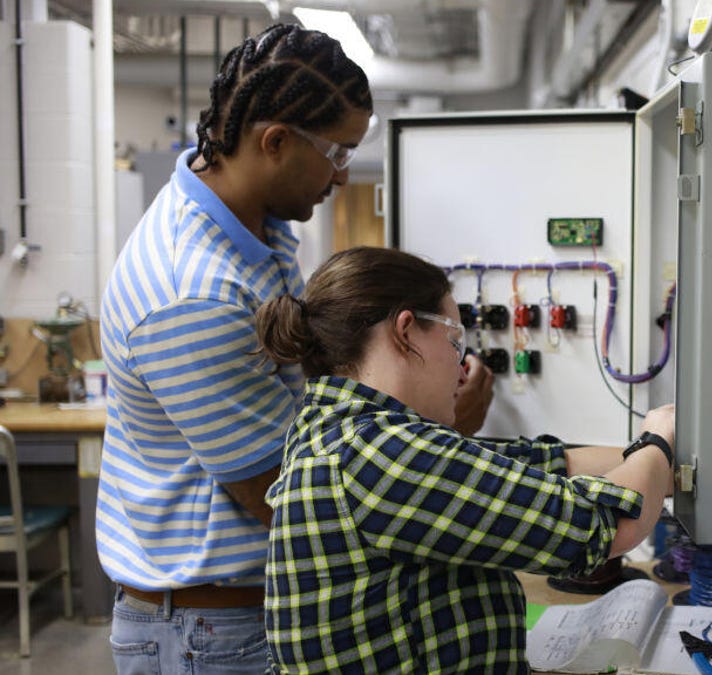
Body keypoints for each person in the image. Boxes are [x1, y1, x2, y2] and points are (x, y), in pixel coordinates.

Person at [97, 25, 493, 674]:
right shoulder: (190, 292)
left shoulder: (261, 228)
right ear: (274, 142)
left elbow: (304, 408)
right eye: (337, 154)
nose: (342, 176)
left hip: (251, 607)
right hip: (213, 630)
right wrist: (438, 427)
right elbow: (281, 495)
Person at [255, 246, 677, 674]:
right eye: (455, 342)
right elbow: (607, 525)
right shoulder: (376, 454)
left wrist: (676, 466)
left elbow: (540, 465)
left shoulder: (340, 434)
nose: (461, 369)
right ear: (405, 331)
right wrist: (659, 438)